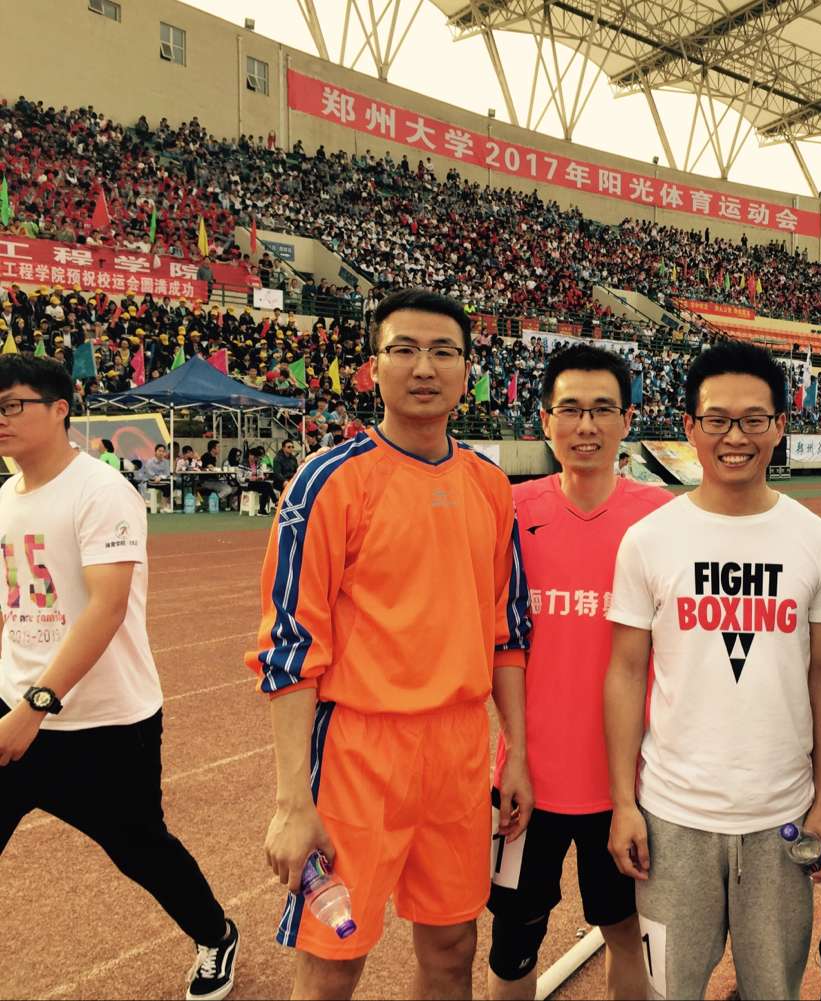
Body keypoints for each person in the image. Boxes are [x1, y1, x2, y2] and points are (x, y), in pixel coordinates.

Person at [245, 288, 532, 1000]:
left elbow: (507, 634)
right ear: (373, 367)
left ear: (467, 370)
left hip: (460, 749)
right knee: (332, 960)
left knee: (453, 946)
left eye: (443, 352)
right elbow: (289, 646)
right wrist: (292, 801)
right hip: (358, 752)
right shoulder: (328, 481)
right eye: (403, 350)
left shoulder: (491, 486)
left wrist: (516, 753)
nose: (423, 367)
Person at [604, 341, 821, 1001]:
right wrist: (623, 802)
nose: (735, 437)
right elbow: (625, 672)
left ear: (780, 426)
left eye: (753, 419)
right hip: (672, 819)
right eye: (717, 420)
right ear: (689, 426)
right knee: (668, 991)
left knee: (774, 991)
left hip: (782, 815)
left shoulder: (816, 540)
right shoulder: (649, 540)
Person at [0, 356, 239, 1000]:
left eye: (12, 404)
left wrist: (35, 706)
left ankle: (216, 934)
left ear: (60, 409)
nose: (1, 419)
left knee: (139, 848)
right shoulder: (5, 496)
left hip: (103, 722)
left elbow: (105, 609)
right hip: (14, 705)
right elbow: (12, 603)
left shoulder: (101, 492)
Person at [487, 346, 670, 1001]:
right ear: (544, 421)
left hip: (629, 784)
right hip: (524, 778)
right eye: (569, 409)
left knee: (628, 934)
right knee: (513, 942)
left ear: (628, 420)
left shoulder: (662, 517)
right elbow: (497, 641)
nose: (585, 426)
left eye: (601, 410)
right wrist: (515, 751)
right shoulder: (509, 510)